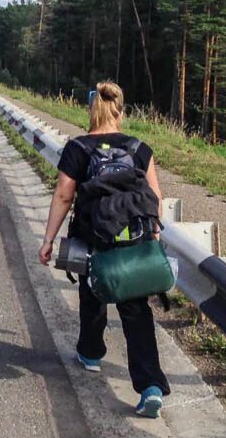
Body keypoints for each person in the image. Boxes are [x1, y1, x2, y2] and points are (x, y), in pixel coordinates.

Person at [38, 81, 171, 418]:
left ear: (91, 110)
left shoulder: (78, 147)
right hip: (134, 238)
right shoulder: (139, 147)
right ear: (120, 112)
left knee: (92, 290)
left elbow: (64, 196)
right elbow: (154, 198)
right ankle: (151, 386)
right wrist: (152, 241)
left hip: (94, 236)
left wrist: (49, 239)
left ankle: (91, 353)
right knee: (135, 307)